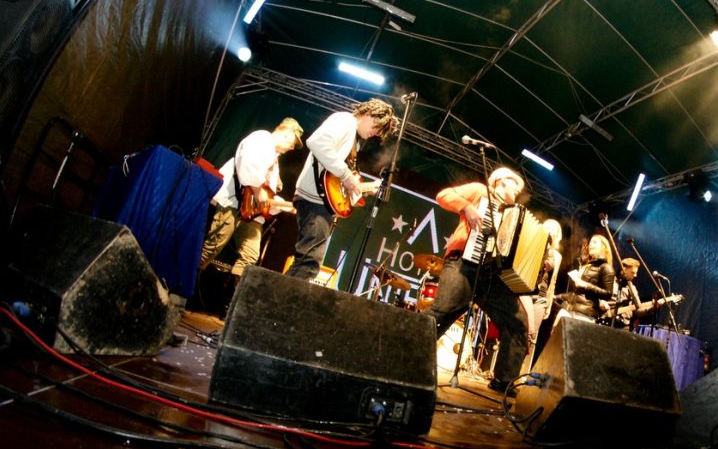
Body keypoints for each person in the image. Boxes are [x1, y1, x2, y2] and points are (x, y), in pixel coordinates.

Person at [425, 166, 530, 393]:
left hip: (492, 275)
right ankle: (403, 351)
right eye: (516, 185)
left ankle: (504, 381)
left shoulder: (514, 213)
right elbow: (443, 195)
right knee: (441, 312)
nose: (518, 191)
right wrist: (468, 207)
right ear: (502, 181)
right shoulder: (480, 191)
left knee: (517, 321)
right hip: (464, 263)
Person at [285, 98, 398, 281]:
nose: (376, 133)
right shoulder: (344, 120)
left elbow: (335, 179)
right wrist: (346, 176)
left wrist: (362, 188)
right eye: (377, 126)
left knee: (308, 262)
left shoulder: (354, 140)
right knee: (308, 263)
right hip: (315, 199)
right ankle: (276, 299)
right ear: (369, 114)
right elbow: (317, 142)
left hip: (321, 201)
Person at [200, 117, 304, 290]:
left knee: (250, 255)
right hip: (233, 202)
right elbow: (247, 165)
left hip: (252, 213)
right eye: (293, 142)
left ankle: (234, 299)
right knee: (212, 247)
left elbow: (266, 196)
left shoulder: (275, 159)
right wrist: (258, 191)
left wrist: (282, 206)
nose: (292, 148)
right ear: (286, 133)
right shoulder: (261, 139)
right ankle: (179, 289)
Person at [520, 219, 562, 369]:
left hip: (541, 297)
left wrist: (548, 304)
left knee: (531, 336)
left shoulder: (557, 256)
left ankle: (520, 372)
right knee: (519, 330)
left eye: (554, 230)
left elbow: (553, 281)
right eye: (548, 228)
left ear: (558, 236)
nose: (551, 231)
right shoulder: (532, 244)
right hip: (526, 292)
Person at [558, 234, 615, 321]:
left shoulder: (606, 267)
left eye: (595, 242)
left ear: (603, 247)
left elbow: (608, 293)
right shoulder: (586, 266)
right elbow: (576, 293)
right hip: (568, 309)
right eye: (590, 242)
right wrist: (557, 297)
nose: (591, 244)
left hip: (584, 314)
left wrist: (586, 285)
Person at [602, 257, 642, 329]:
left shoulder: (632, 288)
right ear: (624, 270)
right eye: (633, 272)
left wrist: (654, 306)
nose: (635, 275)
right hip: (605, 321)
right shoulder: (609, 281)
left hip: (623, 325)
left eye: (636, 273)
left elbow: (638, 310)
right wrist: (600, 301)